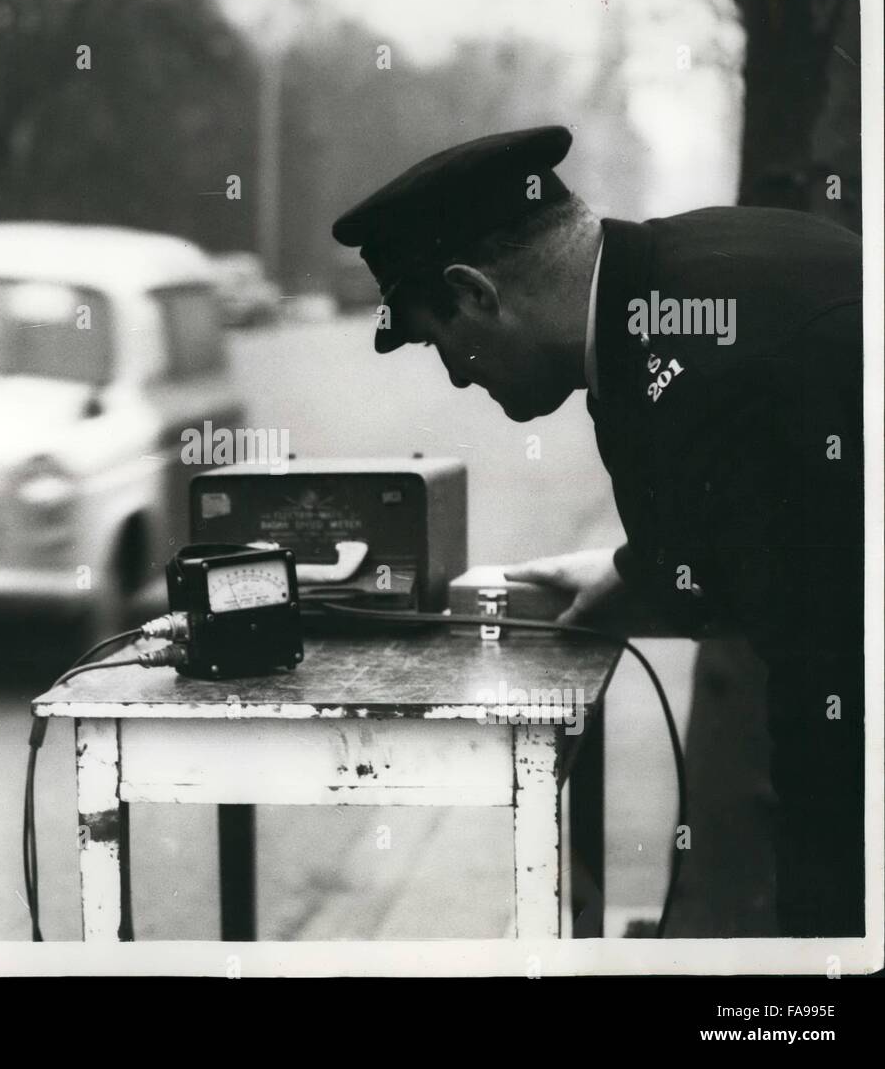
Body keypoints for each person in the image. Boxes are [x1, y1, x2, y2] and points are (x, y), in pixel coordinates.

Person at [331, 125, 865, 938]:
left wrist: (823, 958)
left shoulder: (715, 383)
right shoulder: (687, 271)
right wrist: (635, 575)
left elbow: (831, 691)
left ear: (476, 293)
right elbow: (776, 542)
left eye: (441, 343)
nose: (456, 374)